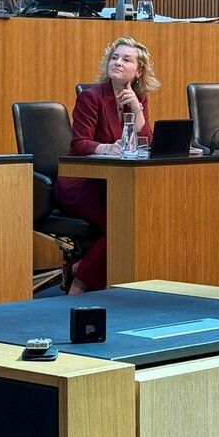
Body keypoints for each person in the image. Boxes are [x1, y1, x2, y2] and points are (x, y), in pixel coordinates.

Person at [56, 36, 160, 294]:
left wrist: (137, 109)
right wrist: (106, 148)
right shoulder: (91, 97)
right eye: (114, 57)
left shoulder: (139, 99)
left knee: (139, 219)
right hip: (82, 185)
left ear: (139, 71)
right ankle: (78, 285)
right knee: (122, 225)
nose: (118, 62)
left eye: (126, 59)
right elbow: (79, 144)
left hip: (114, 184)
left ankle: (80, 268)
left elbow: (146, 142)